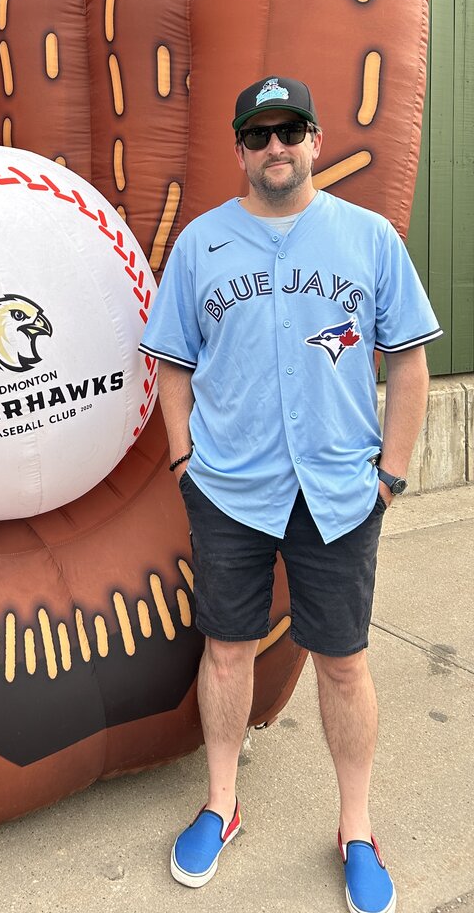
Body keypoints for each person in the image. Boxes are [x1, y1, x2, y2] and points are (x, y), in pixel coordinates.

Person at [139, 76, 440, 913]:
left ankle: (356, 830)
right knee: (227, 649)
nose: (276, 146)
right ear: (240, 149)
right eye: (258, 134)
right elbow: (171, 362)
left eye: (290, 130)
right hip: (230, 487)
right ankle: (221, 805)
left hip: (339, 489)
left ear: (315, 140)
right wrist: (183, 461)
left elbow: (409, 360)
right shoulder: (202, 243)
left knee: (342, 663)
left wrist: (391, 474)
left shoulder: (368, 237)